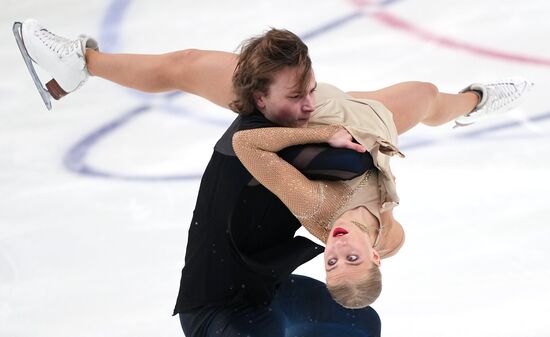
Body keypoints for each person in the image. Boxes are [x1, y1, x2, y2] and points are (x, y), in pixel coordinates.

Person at [17, 19, 532, 335]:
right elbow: (388, 218)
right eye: (351, 258)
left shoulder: (317, 209)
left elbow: (258, 144)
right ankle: (476, 100)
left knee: (187, 64)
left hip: (311, 124)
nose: (338, 251)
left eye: (332, 262)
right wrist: (381, 217)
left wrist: (317, 128)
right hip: (364, 129)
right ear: (372, 257)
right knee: (422, 93)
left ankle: (78, 66)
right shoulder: (388, 241)